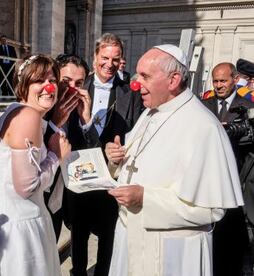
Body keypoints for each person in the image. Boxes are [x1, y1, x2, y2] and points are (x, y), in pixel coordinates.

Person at [105, 44, 243, 276]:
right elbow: (134, 163)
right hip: (131, 236)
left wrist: (144, 197)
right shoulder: (151, 112)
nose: (136, 83)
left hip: (172, 251)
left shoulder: (203, 126)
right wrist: (116, 160)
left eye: (145, 76)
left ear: (173, 80)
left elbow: (211, 209)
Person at [0, 55, 71, 275]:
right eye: (39, 80)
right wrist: (56, 156)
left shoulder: (15, 112)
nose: (48, 86)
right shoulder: (28, 116)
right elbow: (26, 187)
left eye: (52, 80)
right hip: (17, 231)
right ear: (23, 85)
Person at [65, 33, 143, 276]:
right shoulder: (78, 85)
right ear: (95, 56)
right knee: (78, 233)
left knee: (108, 235)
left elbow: (135, 131)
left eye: (115, 59)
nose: (109, 64)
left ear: (122, 60)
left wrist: (121, 151)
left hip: (112, 176)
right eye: (105, 57)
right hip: (80, 173)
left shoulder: (130, 92)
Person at [202, 62, 254, 276]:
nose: (219, 85)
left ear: (234, 79)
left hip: (237, 180)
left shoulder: (248, 107)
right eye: (215, 81)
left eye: (223, 81)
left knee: (233, 241)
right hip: (208, 181)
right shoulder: (204, 105)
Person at [43, 53, 91, 241]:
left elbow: (90, 154)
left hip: (66, 195)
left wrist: (86, 121)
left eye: (78, 84)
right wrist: (54, 122)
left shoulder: (79, 109)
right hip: (41, 193)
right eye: (66, 81)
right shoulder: (41, 106)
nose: (72, 88)